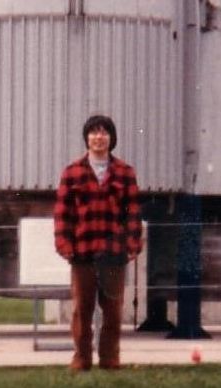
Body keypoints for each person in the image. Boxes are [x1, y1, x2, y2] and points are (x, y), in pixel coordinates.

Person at [54, 115, 142, 370]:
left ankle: (110, 360)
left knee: (113, 312)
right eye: (93, 132)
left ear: (111, 138)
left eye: (104, 132)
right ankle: (81, 360)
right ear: (87, 138)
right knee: (82, 311)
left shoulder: (125, 173)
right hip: (82, 254)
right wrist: (65, 246)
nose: (98, 137)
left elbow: (133, 214)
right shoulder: (72, 173)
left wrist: (132, 245)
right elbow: (62, 214)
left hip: (114, 256)